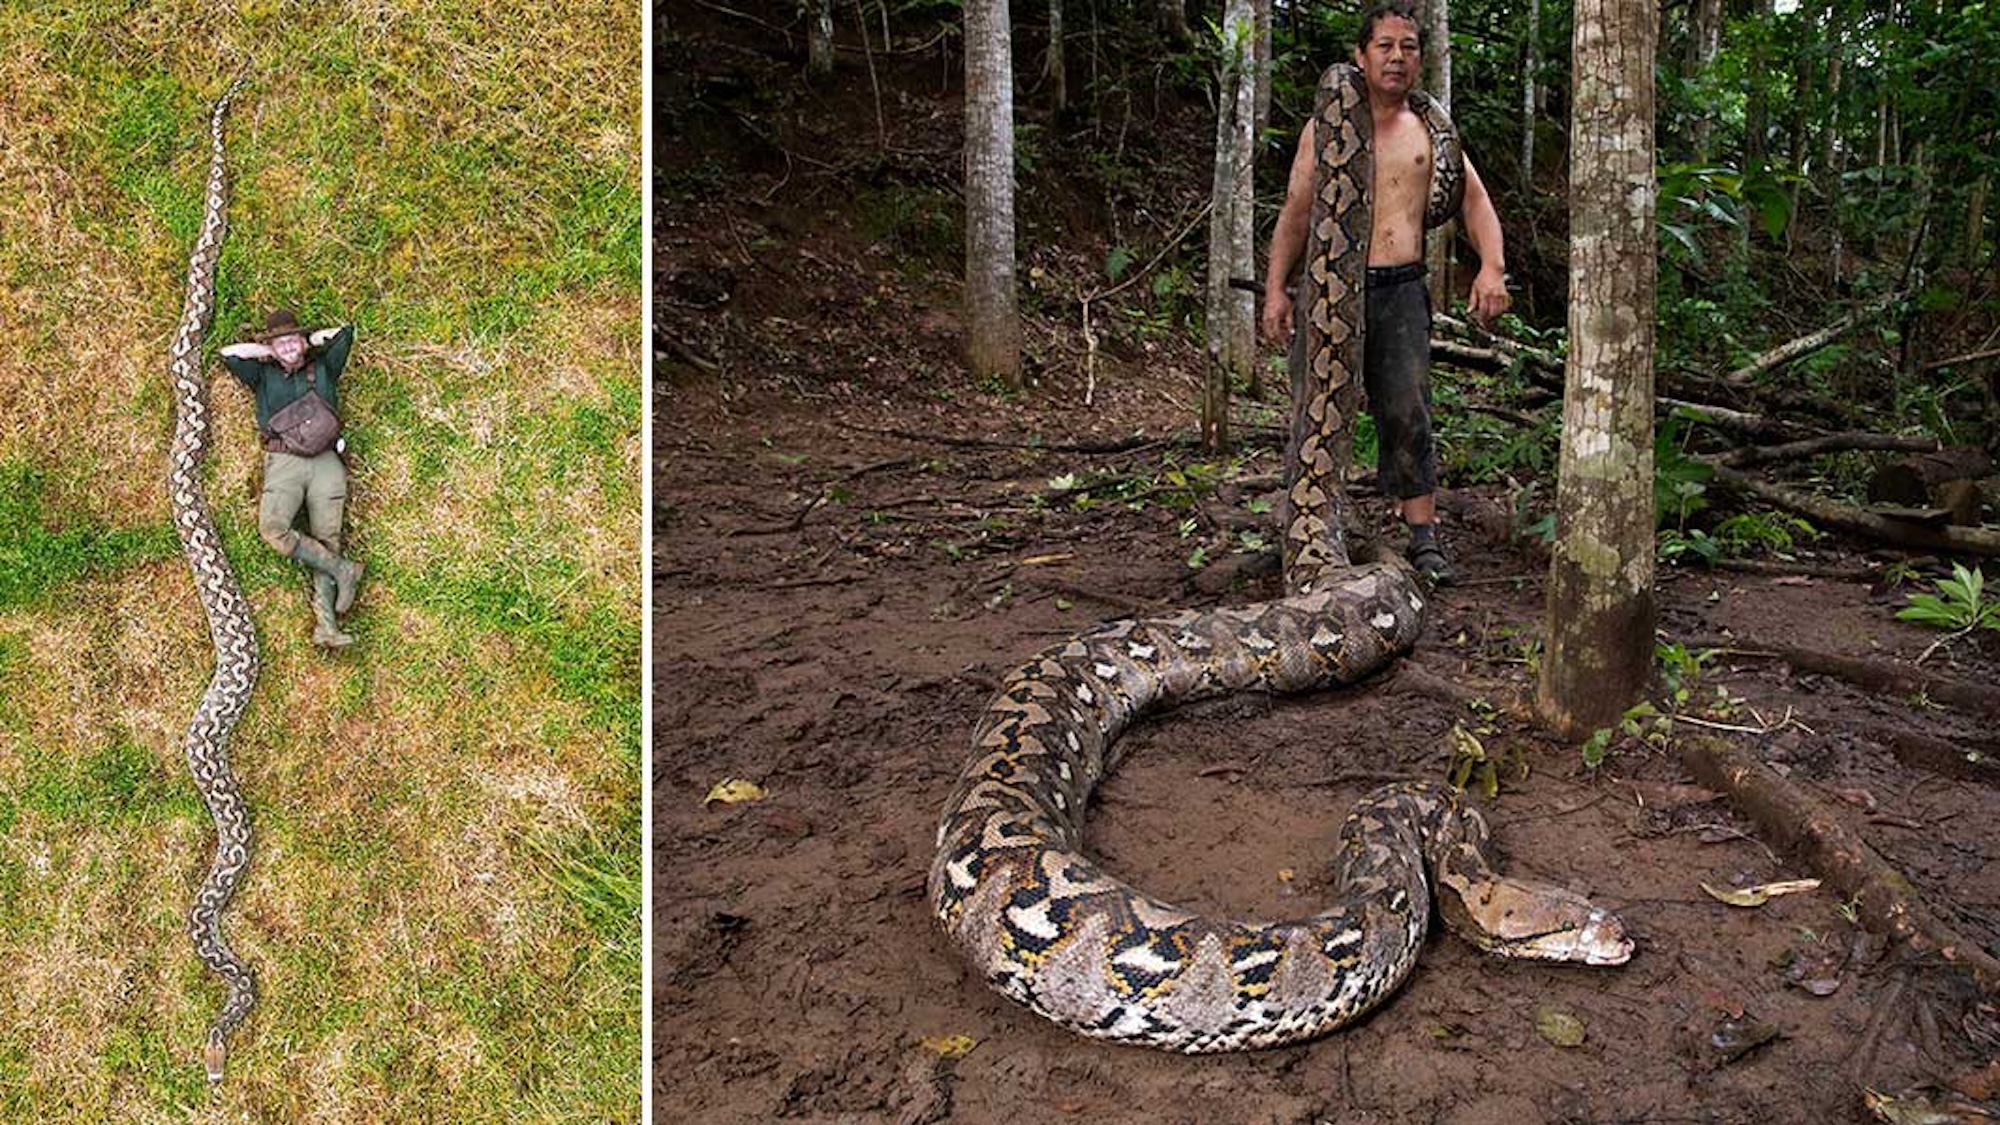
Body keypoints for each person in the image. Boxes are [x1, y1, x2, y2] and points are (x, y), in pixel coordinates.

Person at [1261, 3, 1510, 583]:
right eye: (1385, 46)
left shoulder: (1430, 133)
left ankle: (1423, 537)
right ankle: (1312, 531)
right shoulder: (1323, 130)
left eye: (1409, 47)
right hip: (1329, 289)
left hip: (1399, 289)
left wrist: (1491, 266)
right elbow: (1297, 213)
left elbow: (1474, 203)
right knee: (1314, 411)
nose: (1397, 57)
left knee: (1407, 411)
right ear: (1360, 56)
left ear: (1420, 58)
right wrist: (1276, 289)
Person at [220, 309, 365, 648]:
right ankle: (343, 570)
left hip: (327, 460)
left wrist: (309, 343)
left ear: (303, 341)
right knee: (273, 529)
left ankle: (326, 627)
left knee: (327, 539)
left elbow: (344, 332)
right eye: (279, 342)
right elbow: (229, 354)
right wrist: (270, 349)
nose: (286, 346)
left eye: (292, 339)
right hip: (284, 460)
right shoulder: (262, 375)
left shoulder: (325, 366)